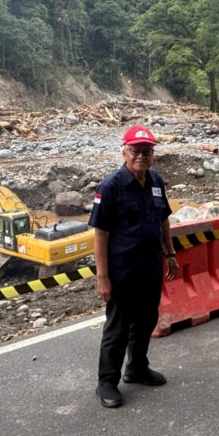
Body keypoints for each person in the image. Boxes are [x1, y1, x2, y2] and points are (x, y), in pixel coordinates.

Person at [88, 124, 179, 408]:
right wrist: (102, 277)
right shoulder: (110, 187)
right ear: (124, 152)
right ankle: (106, 382)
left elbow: (163, 218)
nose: (142, 155)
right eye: (136, 150)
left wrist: (171, 253)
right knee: (117, 329)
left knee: (146, 321)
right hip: (122, 271)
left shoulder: (155, 181)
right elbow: (100, 235)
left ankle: (136, 368)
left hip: (150, 267)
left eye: (147, 151)